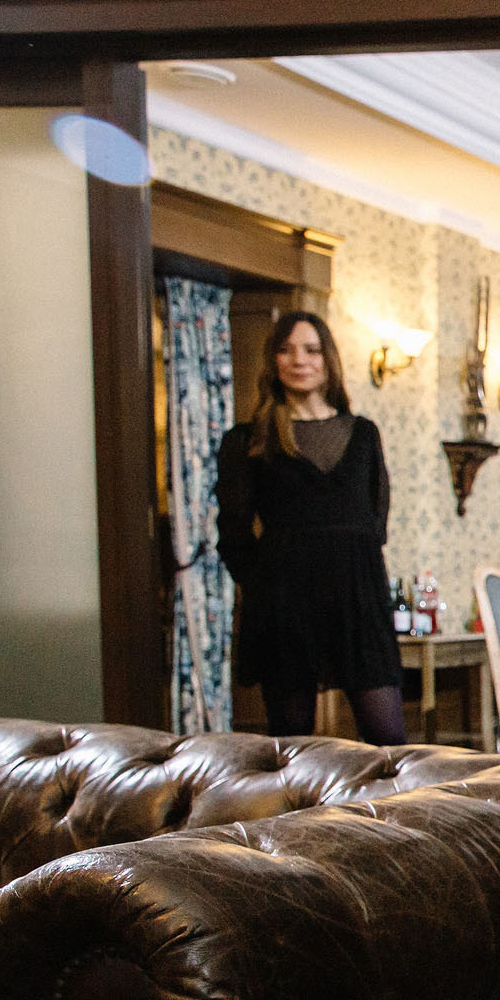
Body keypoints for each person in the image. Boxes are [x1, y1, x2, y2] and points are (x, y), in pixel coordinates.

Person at [214, 311, 408, 744]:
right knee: (293, 747)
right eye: (285, 349)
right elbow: (234, 534)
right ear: (273, 361)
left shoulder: (363, 433)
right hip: (285, 606)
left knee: (389, 743)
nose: (298, 359)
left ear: (328, 360)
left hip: (360, 600)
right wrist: (267, 585)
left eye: (311, 349)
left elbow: (376, 522)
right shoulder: (247, 439)